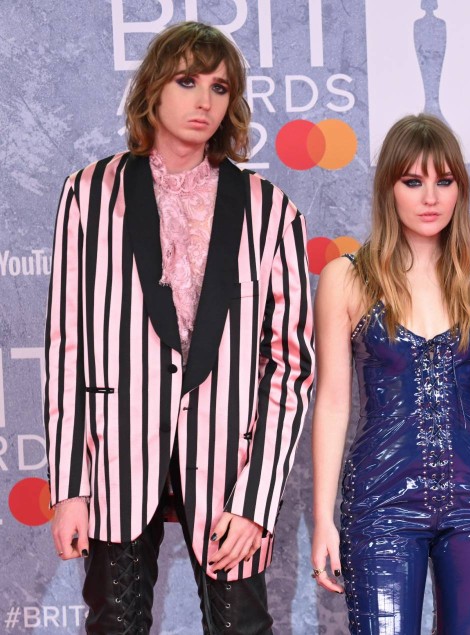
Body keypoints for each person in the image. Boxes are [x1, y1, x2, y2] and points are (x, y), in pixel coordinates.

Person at [44, 22, 314, 633]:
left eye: (220, 87)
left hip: (229, 464)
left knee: (242, 625)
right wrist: (68, 487)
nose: (204, 101)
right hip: (116, 456)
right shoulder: (89, 194)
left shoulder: (272, 209)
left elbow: (290, 368)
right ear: (152, 90)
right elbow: (67, 346)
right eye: (187, 81)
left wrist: (256, 503)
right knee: (115, 623)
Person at [310, 114, 470, 634]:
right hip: (381, 499)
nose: (430, 197)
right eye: (413, 181)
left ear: (459, 190)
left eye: (444, 181)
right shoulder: (347, 277)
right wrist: (322, 518)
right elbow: (334, 404)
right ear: (390, 188)